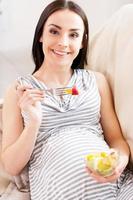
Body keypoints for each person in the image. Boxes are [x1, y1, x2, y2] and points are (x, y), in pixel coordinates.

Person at [1, 0, 133, 199]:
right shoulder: (19, 90)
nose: (63, 42)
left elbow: (116, 140)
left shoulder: (96, 81)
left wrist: (119, 162)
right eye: (54, 31)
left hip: (119, 187)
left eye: (73, 34)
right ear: (40, 36)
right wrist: (33, 124)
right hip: (60, 192)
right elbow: (11, 165)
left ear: (82, 42)